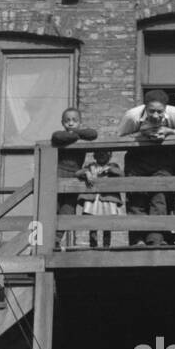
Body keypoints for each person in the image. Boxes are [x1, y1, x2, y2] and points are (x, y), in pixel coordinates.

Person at [118, 89, 175, 247]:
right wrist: (143, 136)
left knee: (159, 198)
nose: (155, 115)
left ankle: (155, 240)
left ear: (166, 109)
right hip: (137, 158)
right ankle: (138, 240)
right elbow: (118, 137)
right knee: (137, 199)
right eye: (151, 111)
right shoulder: (132, 116)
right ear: (145, 107)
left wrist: (170, 132)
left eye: (159, 111)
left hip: (163, 158)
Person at [50, 107, 99, 249]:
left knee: (69, 209)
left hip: (75, 175)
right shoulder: (61, 136)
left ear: (80, 122)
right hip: (59, 173)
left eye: (74, 121)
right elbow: (58, 137)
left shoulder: (80, 135)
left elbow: (93, 134)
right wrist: (74, 134)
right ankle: (48, 240)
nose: (70, 123)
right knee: (54, 208)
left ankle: (55, 239)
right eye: (67, 121)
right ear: (62, 122)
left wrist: (74, 133)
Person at [76, 149, 124, 249]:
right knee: (92, 222)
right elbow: (78, 173)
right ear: (95, 156)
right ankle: (93, 244)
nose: (102, 156)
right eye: (99, 154)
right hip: (93, 198)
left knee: (107, 222)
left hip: (108, 198)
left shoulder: (113, 166)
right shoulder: (91, 166)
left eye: (105, 154)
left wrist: (109, 169)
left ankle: (106, 245)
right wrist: (87, 173)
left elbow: (121, 174)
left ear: (109, 156)